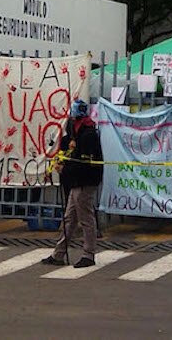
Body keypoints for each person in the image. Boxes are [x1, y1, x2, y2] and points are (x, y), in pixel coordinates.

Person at [41, 99, 103, 268]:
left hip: (85, 182)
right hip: (76, 181)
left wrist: (65, 170)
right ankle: (59, 253)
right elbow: (68, 153)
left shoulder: (88, 134)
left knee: (86, 219)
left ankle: (88, 254)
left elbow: (83, 162)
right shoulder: (73, 132)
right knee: (69, 218)